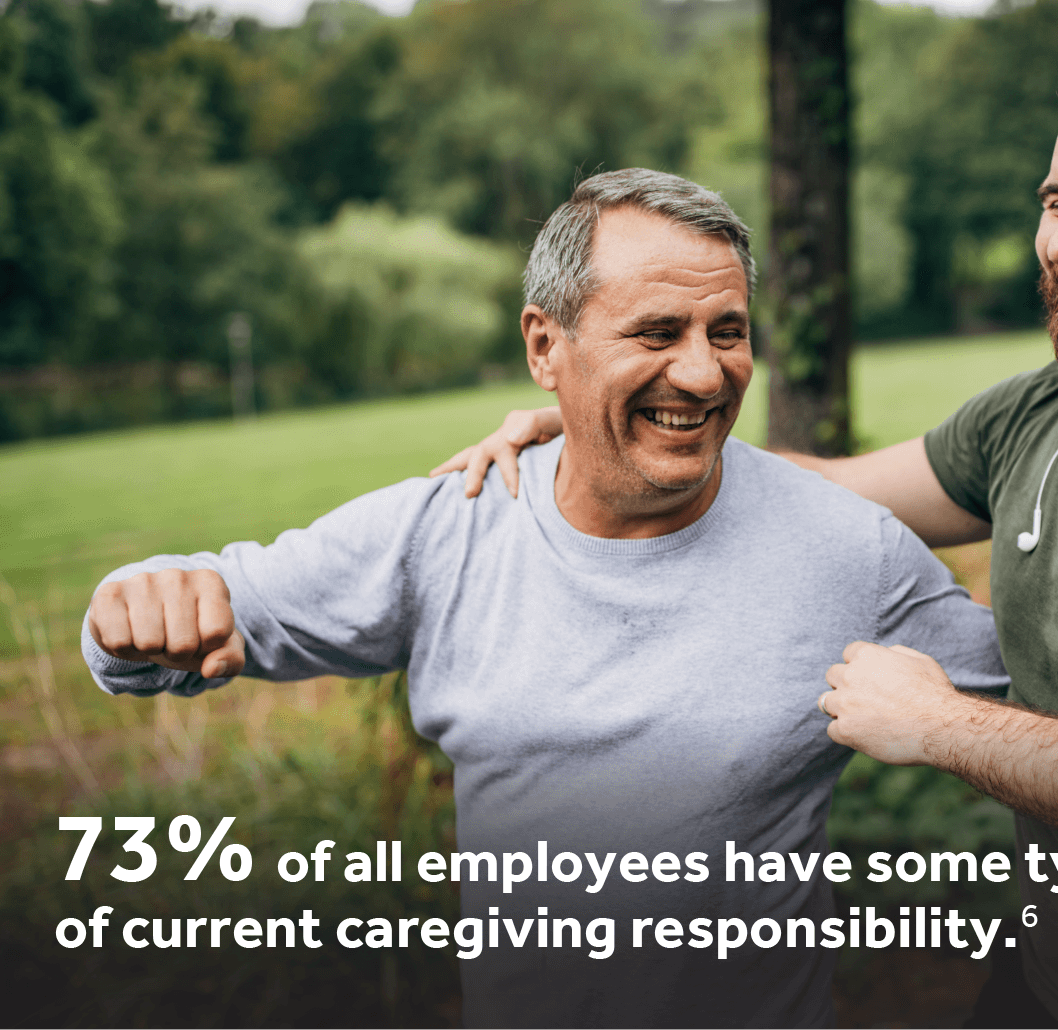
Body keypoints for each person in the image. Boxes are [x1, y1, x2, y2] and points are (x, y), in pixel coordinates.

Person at [442, 37, 1058, 1029]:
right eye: (1055, 201)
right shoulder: (1037, 414)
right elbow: (828, 492)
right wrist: (603, 432)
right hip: (1050, 984)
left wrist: (939, 726)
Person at [80, 168, 1008, 1029]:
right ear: (544, 346)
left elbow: (1053, 709)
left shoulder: (846, 549)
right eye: (657, 333)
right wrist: (133, 610)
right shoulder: (450, 527)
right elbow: (197, 611)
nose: (702, 373)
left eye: (726, 332)